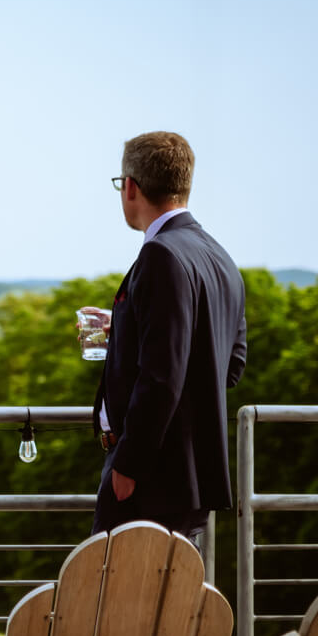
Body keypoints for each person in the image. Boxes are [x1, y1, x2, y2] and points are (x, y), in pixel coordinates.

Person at [82, 131, 247, 544]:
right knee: (169, 604)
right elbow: (229, 365)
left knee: (118, 600)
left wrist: (128, 466)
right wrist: (122, 325)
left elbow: (162, 375)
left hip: (150, 480)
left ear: (132, 187)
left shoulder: (161, 255)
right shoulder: (218, 256)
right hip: (190, 478)